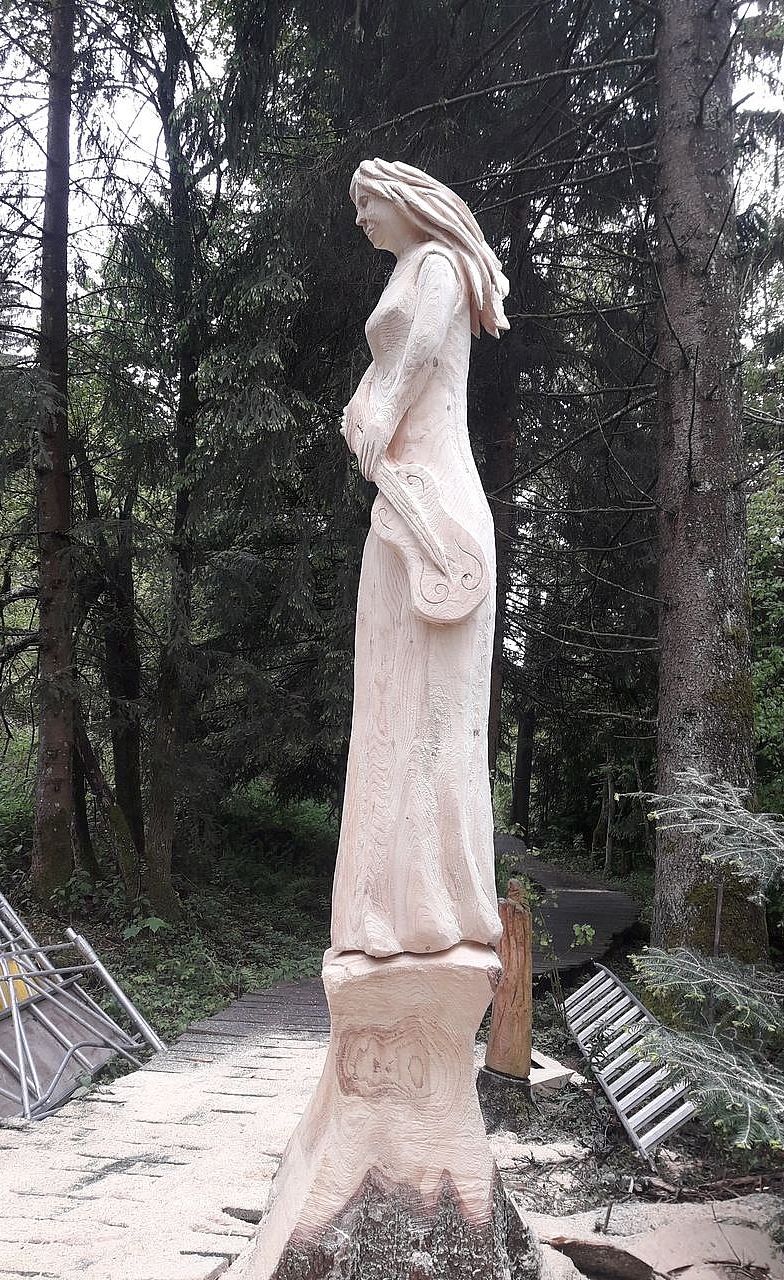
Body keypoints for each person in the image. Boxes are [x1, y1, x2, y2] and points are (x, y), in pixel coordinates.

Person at [331, 158, 510, 958]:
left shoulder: (437, 263)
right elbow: (376, 384)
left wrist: (383, 414)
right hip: (401, 505)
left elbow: (422, 353)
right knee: (386, 706)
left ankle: (441, 905)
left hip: (439, 508)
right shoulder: (404, 270)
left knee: (436, 715)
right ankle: (377, 909)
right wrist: (360, 418)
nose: (361, 217)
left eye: (367, 201)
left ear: (404, 198)